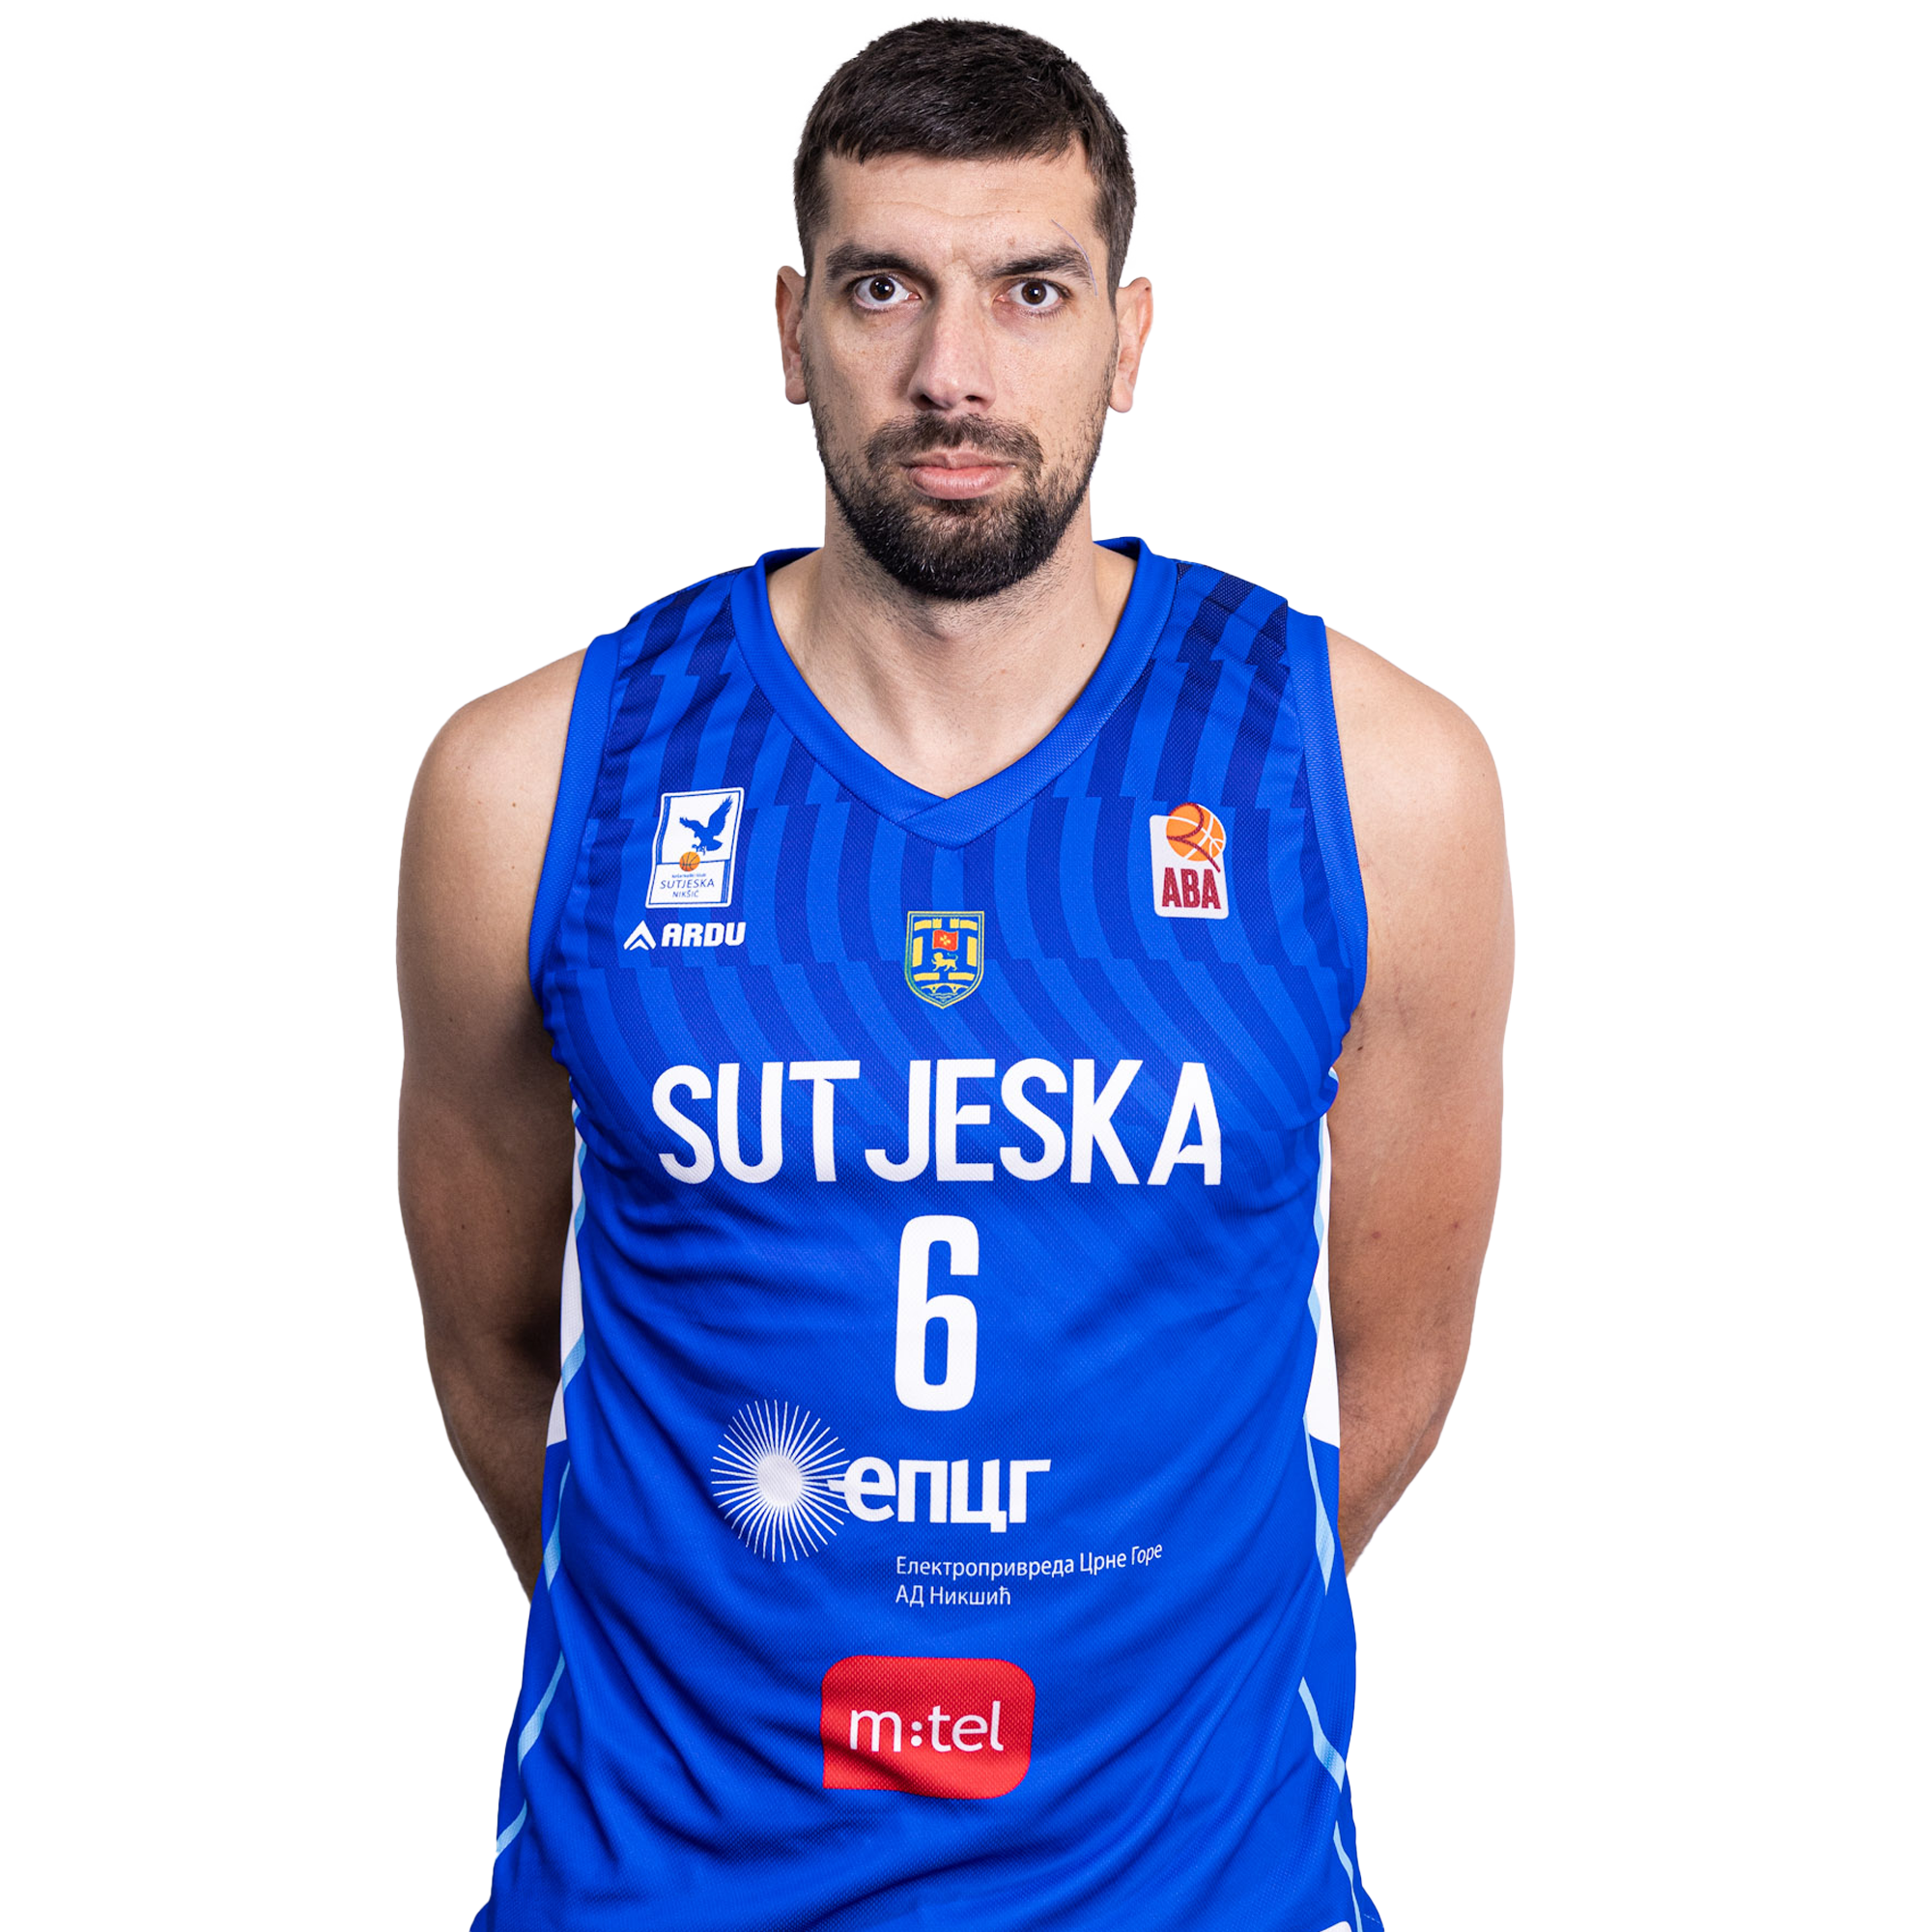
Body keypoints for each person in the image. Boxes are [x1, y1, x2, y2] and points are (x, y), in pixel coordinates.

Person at [398, 16, 1511, 1930]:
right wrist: (711, 1649)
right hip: (662, 1881)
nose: (953, 373)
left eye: (1032, 289)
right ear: (792, 328)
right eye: (883, 287)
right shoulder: (531, 783)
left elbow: (1393, 1366)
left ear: (1126, 338)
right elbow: (489, 1349)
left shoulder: (1370, 780)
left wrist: (1140, 1666)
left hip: (1189, 1886)